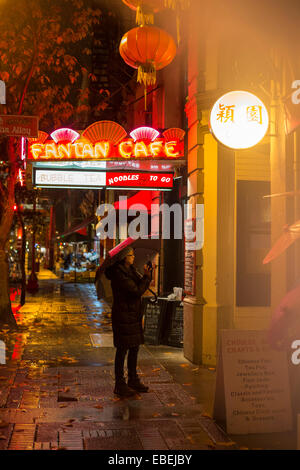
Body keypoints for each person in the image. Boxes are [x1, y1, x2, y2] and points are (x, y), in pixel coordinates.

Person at [105, 246, 152, 397]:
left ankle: (133, 379)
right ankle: (120, 383)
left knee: (134, 347)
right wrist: (146, 278)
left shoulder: (131, 270)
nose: (133, 257)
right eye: (131, 255)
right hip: (123, 315)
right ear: (124, 257)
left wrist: (145, 275)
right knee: (122, 349)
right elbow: (136, 291)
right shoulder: (119, 274)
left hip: (133, 315)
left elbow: (139, 286)